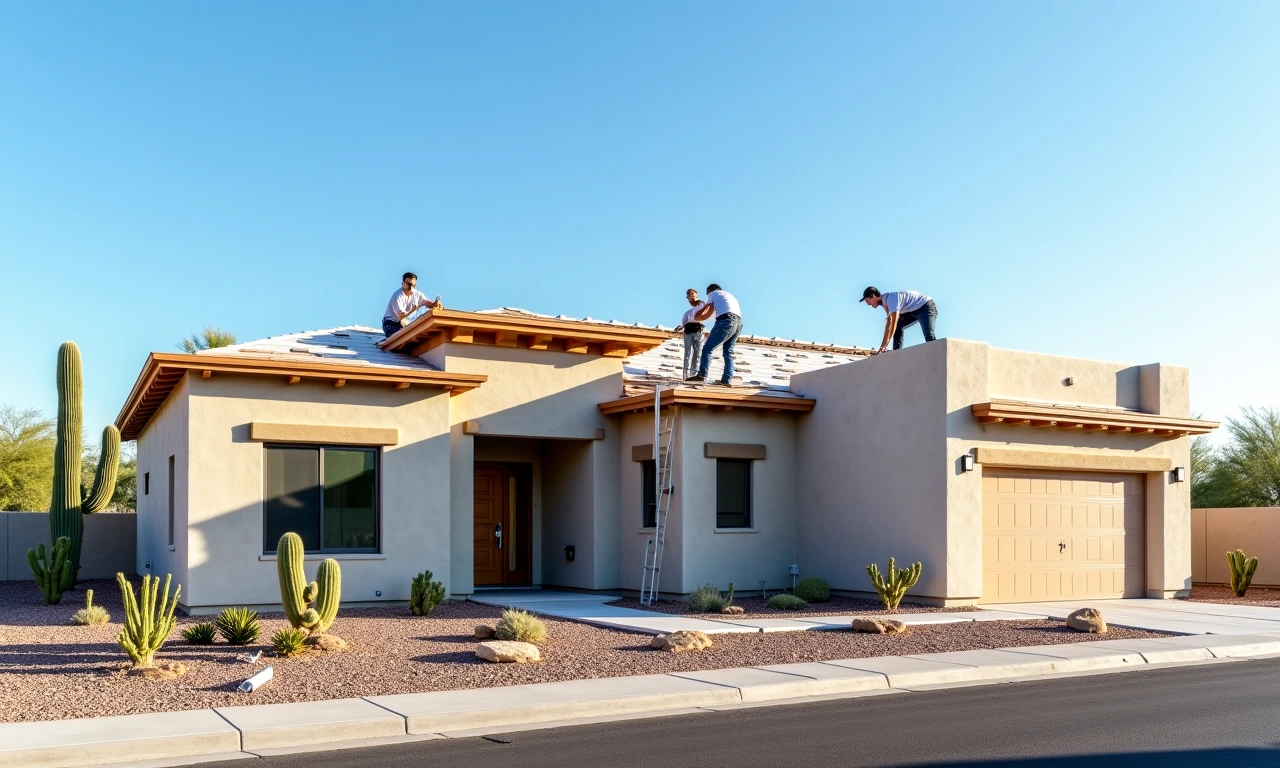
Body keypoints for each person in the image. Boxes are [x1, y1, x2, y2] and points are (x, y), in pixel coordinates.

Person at [685, 283, 742, 384]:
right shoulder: (728, 295)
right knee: (728, 352)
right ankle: (726, 379)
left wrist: (697, 318)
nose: (707, 297)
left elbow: (708, 312)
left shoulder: (713, 294)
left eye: (707, 294)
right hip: (738, 323)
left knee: (707, 348)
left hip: (726, 320)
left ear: (710, 291)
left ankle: (702, 375)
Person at [861, 286, 937, 354]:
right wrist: (882, 347)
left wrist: (884, 346)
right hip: (912, 311)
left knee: (928, 334)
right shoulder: (885, 303)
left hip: (926, 306)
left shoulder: (891, 299)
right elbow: (888, 325)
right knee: (897, 327)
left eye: (866, 300)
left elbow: (893, 322)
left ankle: (936, 353)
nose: (867, 303)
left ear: (873, 296)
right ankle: (896, 353)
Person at [383, 272, 441, 337]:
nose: (411, 288)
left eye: (413, 286)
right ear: (403, 283)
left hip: (404, 324)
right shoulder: (398, 296)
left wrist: (436, 303)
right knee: (403, 338)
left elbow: (429, 304)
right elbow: (401, 316)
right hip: (391, 324)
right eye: (409, 285)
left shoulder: (417, 294)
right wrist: (413, 310)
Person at [678, 288, 706, 379]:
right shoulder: (688, 313)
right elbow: (684, 323)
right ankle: (685, 375)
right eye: (689, 295)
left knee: (697, 352)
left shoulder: (701, 304)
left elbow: (702, 311)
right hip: (688, 331)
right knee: (687, 353)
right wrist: (682, 326)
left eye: (693, 293)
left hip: (697, 329)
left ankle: (693, 373)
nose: (692, 295)